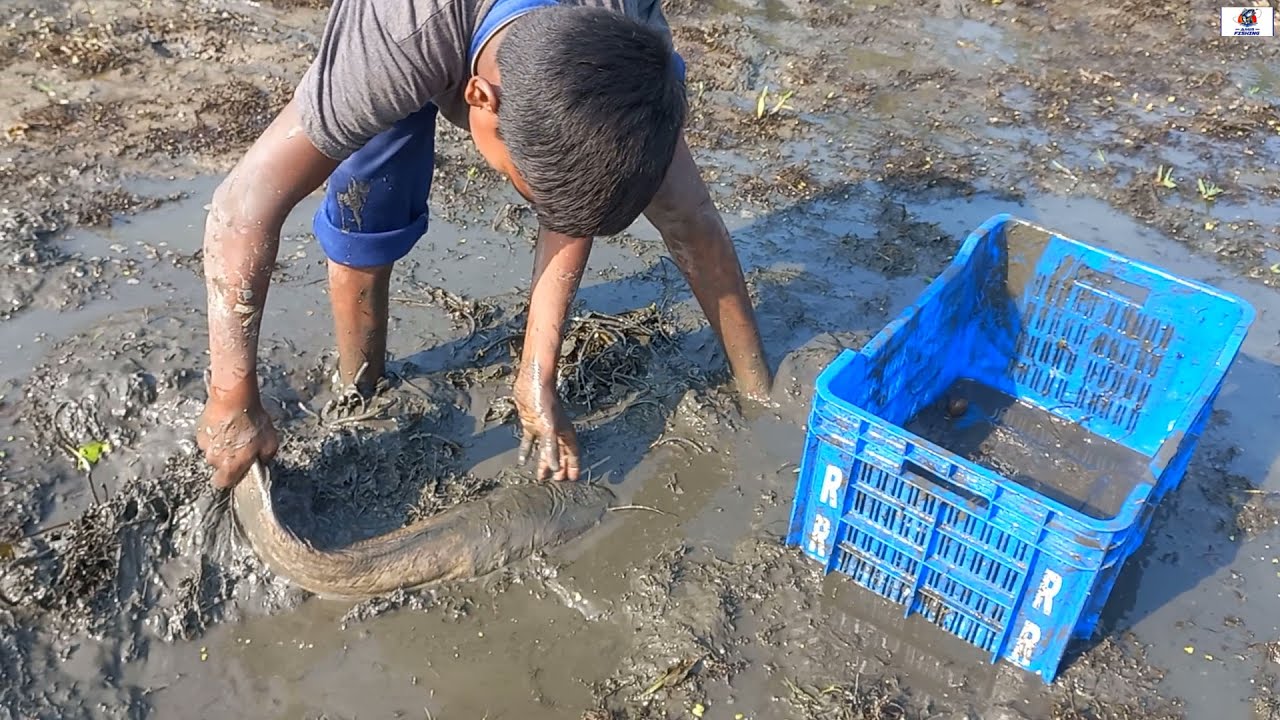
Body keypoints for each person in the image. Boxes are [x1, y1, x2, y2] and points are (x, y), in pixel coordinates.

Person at [196, 0, 772, 489]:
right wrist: (231, 395)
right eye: (536, 193)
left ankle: (760, 386)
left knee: (684, 211)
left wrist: (536, 376)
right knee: (369, 208)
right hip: (427, 31)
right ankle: (360, 386)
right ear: (479, 97)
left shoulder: (629, 40)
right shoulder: (396, 39)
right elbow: (241, 206)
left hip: (573, 50)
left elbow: (584, 203)